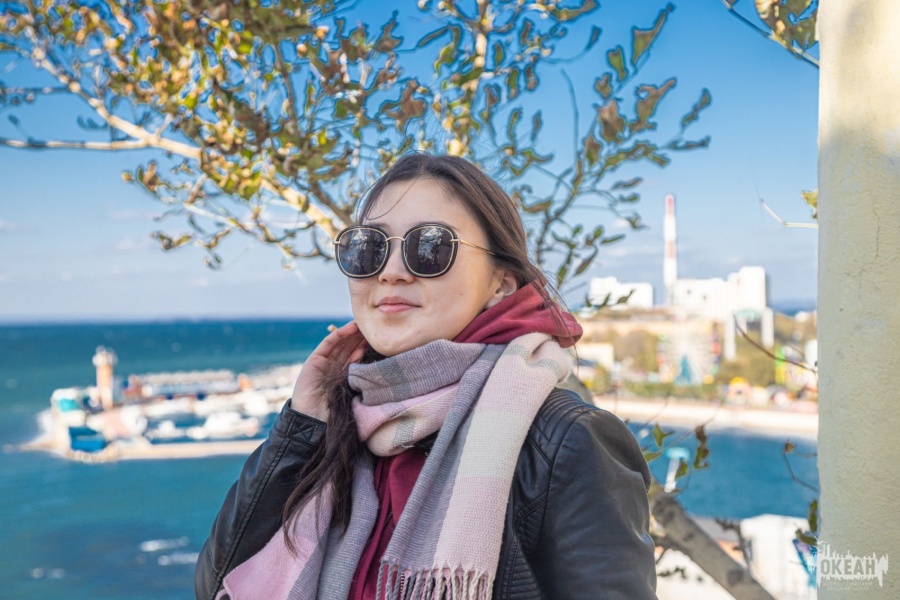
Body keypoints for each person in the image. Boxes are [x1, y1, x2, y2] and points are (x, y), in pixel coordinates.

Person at [194, 154, 657, 600]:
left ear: (500, 283)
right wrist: (301, 426)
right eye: (369, 248)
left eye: (430, 247)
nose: (391, 273)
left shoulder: (567, 443)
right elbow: (217, 585)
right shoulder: (343, 424)